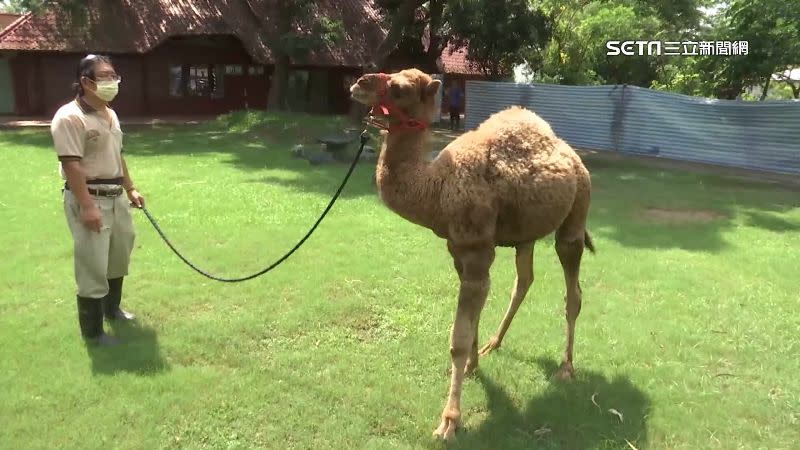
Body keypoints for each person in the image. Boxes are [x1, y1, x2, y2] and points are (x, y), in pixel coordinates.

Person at [50, 54, 144, 346]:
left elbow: (118, 155)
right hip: (89, 197)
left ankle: (112, 310)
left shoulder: (110, 114)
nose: (112, 81)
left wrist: (131, 189)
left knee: (119, 253)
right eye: (104, 76)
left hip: (116, 197)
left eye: (114, 75)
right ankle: (92, 332)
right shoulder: (69, 117)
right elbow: (71, 165)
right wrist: (88, 207)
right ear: (86, 82)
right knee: (92, 263)